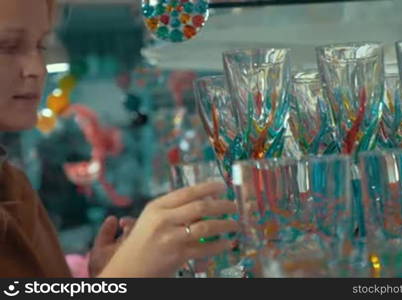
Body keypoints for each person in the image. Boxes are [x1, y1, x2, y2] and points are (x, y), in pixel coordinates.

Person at [0, 0, 239, 278]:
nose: (36, 69)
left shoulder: (14, 186)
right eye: (7, 46)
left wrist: (105, 275)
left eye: (41, 46)